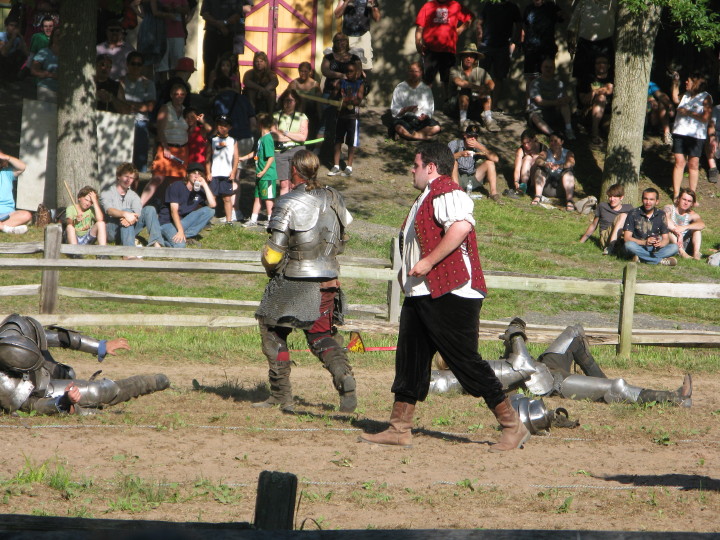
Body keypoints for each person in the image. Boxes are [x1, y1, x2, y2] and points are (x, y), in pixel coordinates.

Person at [358, 143, 528, 452]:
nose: (412, 169)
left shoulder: (448, 192)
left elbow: (461, 227)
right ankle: (399, 427)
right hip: (422, 291)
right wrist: (409, 273)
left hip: (452, 291)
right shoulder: (427, 195)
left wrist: (427, 262)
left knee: (464, 361)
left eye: (416, 164)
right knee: (410, 359)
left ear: (431, 167)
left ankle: (511, 425)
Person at [253, 150, 356, 413]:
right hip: (328, 278)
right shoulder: (335, 197)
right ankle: (344, 376)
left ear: (295, 171)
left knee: (273, 331)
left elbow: (274, 252)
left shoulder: (289, 201)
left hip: (295, 278)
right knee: (321, 334)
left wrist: (269, 266)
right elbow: (342, 239)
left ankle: (281, 394)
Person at [429, 318, 692, 408]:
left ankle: (597, 377)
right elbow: (521, 365)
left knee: (574, 332)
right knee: (617, 387)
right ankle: (673, 398)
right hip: (554, 383)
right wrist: (515, 334)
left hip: (546, 364)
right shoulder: (462, 374)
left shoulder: (471, 367)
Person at [0, 314, 170, 415]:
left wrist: (101, 346)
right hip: (37, 389)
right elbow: (32, 404)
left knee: (68, 373)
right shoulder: (4, 385)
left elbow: (59, 338)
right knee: (100, 391)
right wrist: (64, 402)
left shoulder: (15, 329)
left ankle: (79, 404)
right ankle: (147, 383)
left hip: (44, 373)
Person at [142, 82, 188, 206]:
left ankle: (164, 208)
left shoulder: (186, 110)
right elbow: (160, 129)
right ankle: (139, 206)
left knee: (174, 182)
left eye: (182, 94)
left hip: (181, 149)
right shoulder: (166, 108)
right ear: (171, 95)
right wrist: (165, 147)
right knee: (157, 178)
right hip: (167, 147)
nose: (179, 96)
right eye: (176, 94)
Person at [100, 162, 163, 253]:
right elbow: (109, 210)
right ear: (118, 176)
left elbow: (138, 212)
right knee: (127, 210)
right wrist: (125, 214)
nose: (128, 180)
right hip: (112, 230)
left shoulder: (133, 196)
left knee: (150, 209)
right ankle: (129, 252)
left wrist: (129, 218)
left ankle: (157, 244)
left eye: (131, 178)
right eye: (126, 176)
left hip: (129, 228)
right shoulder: (107, 192)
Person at [415, 0, 472, 96]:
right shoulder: (429, 5)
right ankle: (423, 105)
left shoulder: (455, 5)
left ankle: (447, 105)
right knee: (427, 80)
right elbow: (420, 26)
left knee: (447, 81)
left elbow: (469, 18)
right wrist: (417, 43)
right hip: (430, 50)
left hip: (448, 50)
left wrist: (460, 30)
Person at [670, 72, 712, 200]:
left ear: (696, 82)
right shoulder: (686, 95)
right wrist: (675, 83)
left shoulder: (706, 97)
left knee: (693, 164)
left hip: (696, 136)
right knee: (679, 162)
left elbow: (705, 118)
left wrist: (688, 112)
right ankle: (676, 194)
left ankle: (691, 196)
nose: (686, 83)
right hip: (680, 132)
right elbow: (675, 99)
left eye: (688, 81)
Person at [158, 162, 217, 248]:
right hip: (167, 222)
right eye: (194, 173)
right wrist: (180, 230)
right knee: (180, 246)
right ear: (188, 174)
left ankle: (186, 235)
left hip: (182, 221)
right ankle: (161, 241)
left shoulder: (200, 190)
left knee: (210, 211)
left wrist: (205, 185)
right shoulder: (176, 186)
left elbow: (212, 205)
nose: (197, 176)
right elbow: (173, 211)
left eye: (199, 174)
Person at [475, 0, 521, 110]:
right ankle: (481, 104)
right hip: (487, 45)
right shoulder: (489, 4)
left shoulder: (513, 7)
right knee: (482, 75)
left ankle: (494, 105)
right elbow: (479, 23)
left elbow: (519, 26)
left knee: (499, 77)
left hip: (503, 47)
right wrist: (479, 42)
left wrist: (514, 43)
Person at [200, 0, 253, 91]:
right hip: (212, 31)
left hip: (232, 32)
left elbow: (245, 9)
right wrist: (219, 25)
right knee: (209, 61)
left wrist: (226, 23)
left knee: (232, 63)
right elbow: (204, 13)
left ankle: (234, 89)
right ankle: (209, 88)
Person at [119, 51, 157, 172]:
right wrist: (139, 105)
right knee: (121, 157)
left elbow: (150, 107)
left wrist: (128, 104)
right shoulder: (120, 82)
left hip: (141, 122)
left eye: (139, 64)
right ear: (127, 64)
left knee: (139, 159)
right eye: (133, 64)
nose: (136, 67)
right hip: (122, 121)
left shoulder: (148, 84)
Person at [622, 187, 679, 266]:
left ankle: (641, 258)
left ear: (657, 201)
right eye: (646, 199)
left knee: (674, 247)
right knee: (628, 245)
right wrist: (644, 242)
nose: (648, 202)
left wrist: (661, 243)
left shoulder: (661, 214)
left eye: (651, 199)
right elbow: (627, 238)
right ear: (642, 200)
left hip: (654, 249)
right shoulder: (633, 213)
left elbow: (666, 239)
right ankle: (659, 261)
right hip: (638, 246)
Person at [448, 44, 498, 131]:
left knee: (486, 93)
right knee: (464, 91)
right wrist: (479, 88)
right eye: (466, 56)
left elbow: (491, 84)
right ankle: (462, 121)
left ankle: (488, 119)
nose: (468, 59)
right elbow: (459, 82)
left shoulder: (481, 71)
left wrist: (485, 90)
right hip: (455, 105)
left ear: (475, 59)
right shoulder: (454, 69)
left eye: (471, 57)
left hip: (475, 105)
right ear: (462, 57)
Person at [328, 60, 364, 177]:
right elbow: (333, 96)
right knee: (337, 140)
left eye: (351, 71)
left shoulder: (360, 84)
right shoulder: (342, 82)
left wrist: (348, 101)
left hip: (353, 117)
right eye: (347, 71)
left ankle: (349, 166)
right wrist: (335, 89)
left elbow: (358, 99)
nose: (349, 73)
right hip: (341, 115)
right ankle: (336, 165)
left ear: (356, 72)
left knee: (351, 142)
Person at [448, 123, 501, 202]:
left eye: (475, 137)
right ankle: (456, 191)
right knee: (453, 162)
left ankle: (493, 193)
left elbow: (496, 159)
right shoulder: (454, 144)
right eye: (470, 136)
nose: (472, 139)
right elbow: (444, 159)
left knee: (490, 163)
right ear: (465, 135)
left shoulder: (479, 146)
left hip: (471, 177)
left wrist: (479, 147)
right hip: (456, 176)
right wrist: (460, 154)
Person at [390, 62, 441, 141]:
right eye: (411, 71)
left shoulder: (426, 88)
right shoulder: (400, 87)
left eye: (416, 71)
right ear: (408, 72)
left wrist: (425, 115)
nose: (413, 74)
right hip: (404, 118)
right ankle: (425, 137)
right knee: (398, 127)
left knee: (436, 128)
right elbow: (394, 107)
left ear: (421, 73)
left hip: (420, 120)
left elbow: (429, 107)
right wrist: (405, 110)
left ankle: (410, 135)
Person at [566, 0, 616, 81]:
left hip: (605, 45)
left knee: (605, 79)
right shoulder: (583, 3)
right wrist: (570, 42)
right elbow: (572, 24)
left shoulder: (612, 2)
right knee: (582, 78)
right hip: (584, 44)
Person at [242, 112, 276, 227]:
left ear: (260, 124)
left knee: (268, 198)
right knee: (258, 197)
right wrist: (243, 158)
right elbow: (256, 153)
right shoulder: (261, 138)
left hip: (267, 175)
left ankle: (271, 220)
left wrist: (264, 171)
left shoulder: (267, 139)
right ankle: (253, 219)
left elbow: (271, 157)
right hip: (260, 174)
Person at [272, 88, 309, 195]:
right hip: (280, 151)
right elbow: (275, 136)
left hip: (297, 151)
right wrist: (294, 137)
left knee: (296, 183)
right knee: (284, 184)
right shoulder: (276, 116)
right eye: (285, 100)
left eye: (290, 101)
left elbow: (303, 137)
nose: (287, 103)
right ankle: (283, 208)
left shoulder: (302, 117)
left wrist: (285, 133)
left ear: (296, 102)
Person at [579, 183, 633, 254]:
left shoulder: (628, 208)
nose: (612, 199)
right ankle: (610, 246)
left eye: (615, 197)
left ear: (621, 197)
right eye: (610, 196)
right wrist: (581, 241)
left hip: (622, 236)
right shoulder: (602, 206)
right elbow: (593, 225)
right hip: (606, 238)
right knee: (623, 216)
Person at [527, 57, 574, 139]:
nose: (548, 69)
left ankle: (569, 129)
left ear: (554, 69)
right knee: (534, 116)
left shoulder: (559, 83)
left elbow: (565, 97)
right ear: (541, 68)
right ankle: (553, 134)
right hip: (539, 113)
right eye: (546, 67)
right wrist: (556, 102)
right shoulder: (535, 83)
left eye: (551, 67)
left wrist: (567, 99)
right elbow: (539, 101)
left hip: (554, 112)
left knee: (565, 105)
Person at [520, 0, 563, 88]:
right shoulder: (529, 9)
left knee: (547, 77)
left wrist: (557, 10)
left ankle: (546, 100)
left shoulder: (551, 7)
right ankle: (530, 101)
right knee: (531, 78)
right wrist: (522, 42)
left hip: (547, 48)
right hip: (531, 48)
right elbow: (523, 27)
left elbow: (563, 18)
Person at [530, 131, 576, 210]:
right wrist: (545, 164)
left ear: (561, 142)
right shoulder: (546, 152)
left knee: (568, 172)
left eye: (556, 141)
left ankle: (569, 201)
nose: (553, 143)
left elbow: (571, 163)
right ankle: (538, 197)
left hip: (561, 187)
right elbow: (538, 160)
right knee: (540, 169)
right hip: (547, 186)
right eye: (551, 141)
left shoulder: (568, 153)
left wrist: (560, 166)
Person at [206, 115, 239, 224]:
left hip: (227, 174)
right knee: (212, 197)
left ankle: (229, 221)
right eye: (220, 125)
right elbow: (208, 158)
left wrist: (233, 172)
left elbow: (236, 157)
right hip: (214, 173)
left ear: (229, 127)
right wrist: (208, 172)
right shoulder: (212, 140)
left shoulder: (233, 140)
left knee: (227, 198)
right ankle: (208, 220)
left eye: (225, 126)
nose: (222, 128)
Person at [334, 0, 381, 74]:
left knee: (365, 66)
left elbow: (377, 18)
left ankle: (362, 83)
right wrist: (346, 2)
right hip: (348, 36)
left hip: (363, 35)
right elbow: (337, 15)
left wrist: (372, 5)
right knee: (346, 64)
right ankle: (346, 84)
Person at [578, 55, 613, 144]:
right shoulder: (587, 79)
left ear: (608, 65)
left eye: (604, 63)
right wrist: (594, 93)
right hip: (589, 113)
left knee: (612, 131)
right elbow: (583, 100)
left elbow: (609, 90)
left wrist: (595, 91)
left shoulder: (613, 79)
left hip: (609, 115)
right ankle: (595, 132)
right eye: (598, 63)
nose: (601, 65)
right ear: (594, 65)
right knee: (601, 98)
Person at [664, 188, 705, 260]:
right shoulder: (669, 208)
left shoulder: (692, 214)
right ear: (679, 199)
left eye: (689, 201)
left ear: (692, 203)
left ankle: (696, 253)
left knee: (697, 230)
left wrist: (685, 227)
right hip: (670, 241)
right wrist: (677, 231)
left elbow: (702, 225)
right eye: (684, 199)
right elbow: (665, 220)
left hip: (684, 242)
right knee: (668, 231)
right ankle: (682, 253)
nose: (686, 203)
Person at [0, 150, 31, 235]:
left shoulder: (6, 173)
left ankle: (3, 227)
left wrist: (6, 157)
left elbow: (22, 167)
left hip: (8, 214)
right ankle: (6, 229)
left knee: (26, 215)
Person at [511, 129, 546, 196]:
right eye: (524, 143)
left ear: (533, 139)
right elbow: (517, 168)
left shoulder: (542, 148)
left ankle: (534, 187)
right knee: (527, 158)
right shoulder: (521, 150)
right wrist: (516, 182)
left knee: (536, 158)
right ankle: (523, 186)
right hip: (524, 175)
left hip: (537, 175)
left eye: (528, 142)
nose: (526, 145)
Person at [30, 25, 60, 103]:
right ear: (53, 37)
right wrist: (50, 75)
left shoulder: (70, 54)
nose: (60, 38)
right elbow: (33, 70)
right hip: (47, 87)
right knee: (47, 114)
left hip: (66, 90)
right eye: (57, 35)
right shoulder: (44, 52)